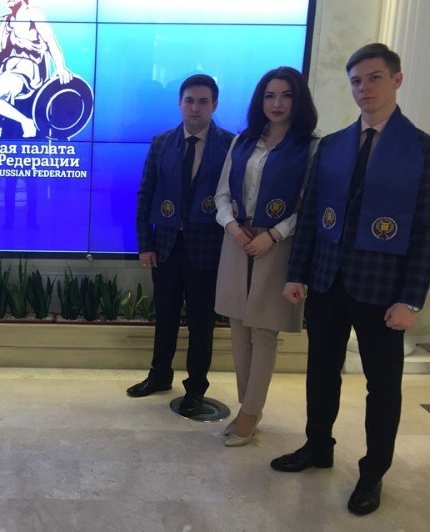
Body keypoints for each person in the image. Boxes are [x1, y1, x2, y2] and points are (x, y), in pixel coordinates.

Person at [271, 43, 430, 515]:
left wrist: (411, 299)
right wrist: (297, 274)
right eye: (356, 81)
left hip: (383, 289)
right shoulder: (333, 145)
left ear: (396, 80)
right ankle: (318, 445)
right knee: (321, 371)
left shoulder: (421, 149)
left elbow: (425, 231)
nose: (364, 88)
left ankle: (373, 472)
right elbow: (310, 214)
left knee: (382, 386)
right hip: (326, 281)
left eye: (374, 78)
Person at [214, 66, 318, 446]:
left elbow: (309, 204)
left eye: (286, 95)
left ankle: (249, 412)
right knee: (238, 326)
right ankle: (248, 408)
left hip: (278, 243)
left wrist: (273, 234)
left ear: (298, 100)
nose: (277, 103)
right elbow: (222, 193)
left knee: (263, 329)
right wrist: (231, 226)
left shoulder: (310, 146)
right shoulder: (243, 141)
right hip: (237, 239)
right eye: (270, 96)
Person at [129, 74, 233, 416]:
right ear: (179, 103)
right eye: (189, 100)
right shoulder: (162, 143)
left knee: (202, 323)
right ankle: (159, 375)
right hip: (165, 247)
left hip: (208, 250)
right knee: (165, 317)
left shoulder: (230, 145)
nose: (195, 108)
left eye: (203, 101)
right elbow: (145, 194)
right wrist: (145, 244)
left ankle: (196, 388)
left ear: (214, 105)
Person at [0, 0, 73, 138]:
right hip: (5, 71)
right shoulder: (4, 20)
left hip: (25, 72)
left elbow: (50, 41)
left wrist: (60, 67)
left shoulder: (33, 13)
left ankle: (26, 122)